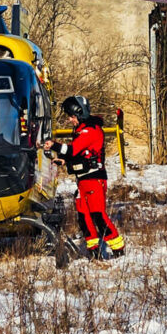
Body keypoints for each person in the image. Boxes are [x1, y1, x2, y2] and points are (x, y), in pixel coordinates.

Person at [42, 96, 125, 259]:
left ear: (80, 114)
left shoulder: (91, 130)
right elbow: (79, 154)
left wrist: (54, 145)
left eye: (72, 116)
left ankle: (118, 249)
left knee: (98, 215)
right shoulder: (80, 131)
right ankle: (93, 250)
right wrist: (64, 160)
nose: (70, 120)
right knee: (84, 217)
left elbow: (73, 149)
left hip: (94, 180)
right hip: (83, 181)